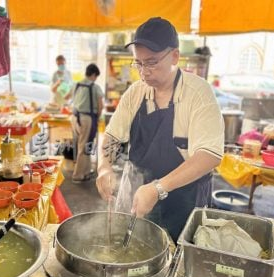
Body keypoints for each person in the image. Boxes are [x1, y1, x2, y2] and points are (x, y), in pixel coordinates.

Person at [96, 17, 224, 241]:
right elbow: (112, 137)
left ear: (174, 56)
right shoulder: (136, 93)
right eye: (138, 63)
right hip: (137, 192)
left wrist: (158, 188)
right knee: (130, 251)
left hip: (183, 201)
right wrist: (104, 168)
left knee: (177, 260)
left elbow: (209, 155)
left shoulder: (198, 93)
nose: (143, 71)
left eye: (152, 62)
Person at [71, 64, 104, 183]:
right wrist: (98, 117)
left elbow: (72, 100)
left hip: (75, 118)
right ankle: (77, 175)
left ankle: (85, 172)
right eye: (96, 76)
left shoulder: (77, 84)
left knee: (84, 145)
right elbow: (101, 106)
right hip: (86, 118)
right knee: (84, 147)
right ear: (94, 75)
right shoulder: (95, 87)